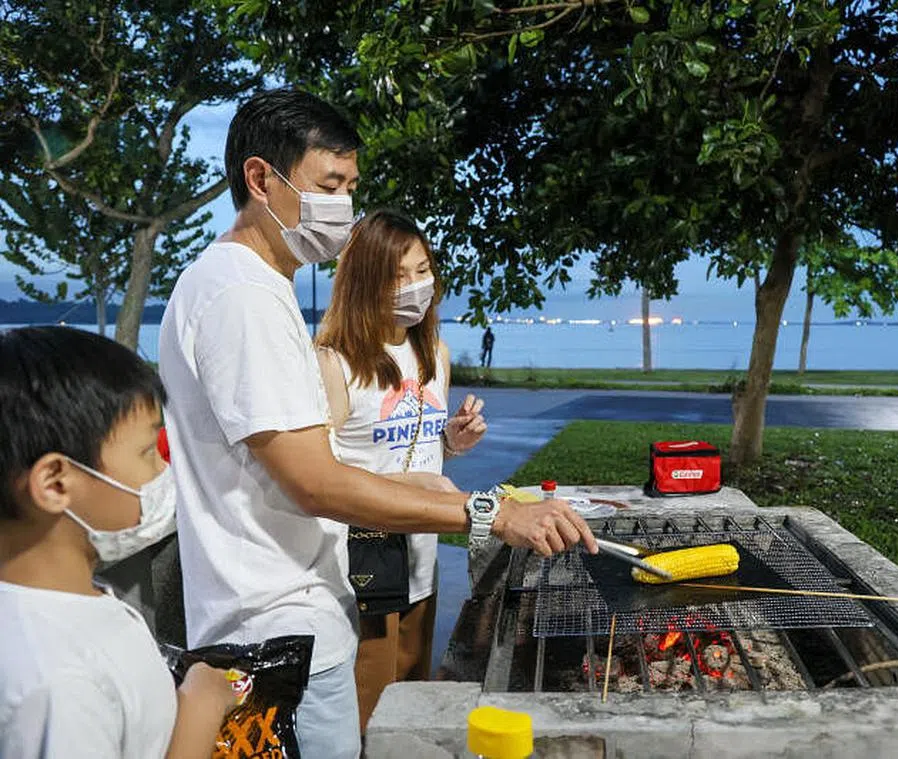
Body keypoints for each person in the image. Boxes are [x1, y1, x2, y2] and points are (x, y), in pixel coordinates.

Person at [158, 88, 596, 757]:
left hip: (293, 622)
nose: (343, 206)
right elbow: (315, 481)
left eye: (351, 187)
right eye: (329, 185)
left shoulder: (253, 288)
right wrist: (492, 514)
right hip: (278, 634)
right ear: (260, 179)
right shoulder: (242, 296)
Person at [0, 326, 238, 759]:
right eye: (148, 452)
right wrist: (201, 708)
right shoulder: (57, 685)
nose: (163, 471)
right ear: (55, 484)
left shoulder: (72, 603)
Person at [315, 208, 488, 735]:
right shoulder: (334, 361)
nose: (415, 286)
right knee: (367, 711)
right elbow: (318, 477)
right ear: (366, 280)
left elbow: (415, 452)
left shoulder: (434, 352)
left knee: (411, 705)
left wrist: (450, 442)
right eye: (397, 276)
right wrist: (404, 485)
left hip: (421, 556)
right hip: (363, 563)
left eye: (422, 270)